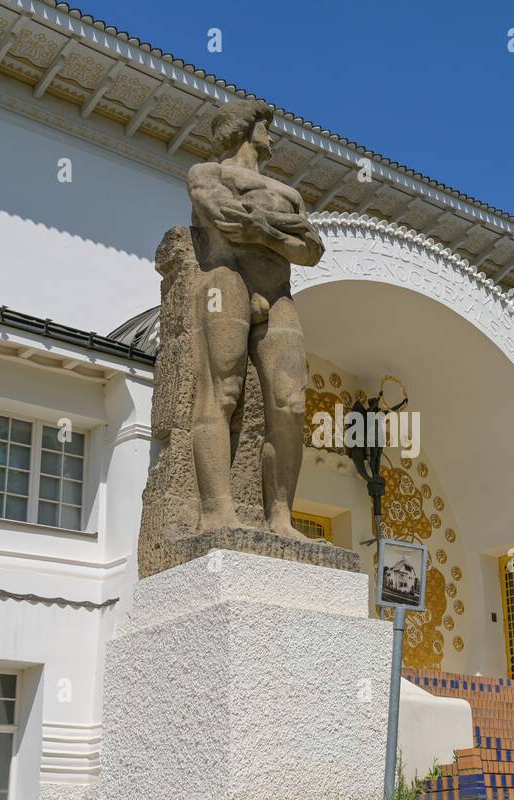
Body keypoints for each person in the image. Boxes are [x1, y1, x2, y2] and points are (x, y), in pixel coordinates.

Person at [186, 99, 324, 536]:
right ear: (246, 128)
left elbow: (313, 250)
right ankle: (216, 510)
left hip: (277, 294)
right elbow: (227, 219)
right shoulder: (209, 172)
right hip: (227, 280)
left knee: (291, 404)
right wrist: (284, 231)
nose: (271, 134)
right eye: (265, 125)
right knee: (223, 389)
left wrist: (264, 230)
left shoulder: (291, 192)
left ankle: (280, 516)